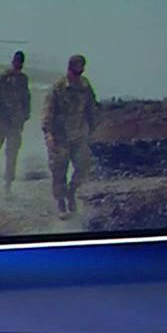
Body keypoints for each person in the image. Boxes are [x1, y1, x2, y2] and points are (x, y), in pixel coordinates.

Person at [43, 54, 97, 219]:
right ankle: (61, 204)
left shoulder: (85, 86)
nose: (80, 70)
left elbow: (91, 108)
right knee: (59, 171)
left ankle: (71, 192)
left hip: (79, 135)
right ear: (70, 67)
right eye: (77, 67)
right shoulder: (58, 87)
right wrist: (48, 134)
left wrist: (93, 129)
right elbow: (48, 111)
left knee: (84, 166)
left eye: (82, 67)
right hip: (60, 136)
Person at [0, 50, 31, 194]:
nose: (18, 64)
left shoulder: (23, 79)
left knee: (12, 155)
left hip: (14, 123)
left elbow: (26, 99)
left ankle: (8, 185)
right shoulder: (3, 76)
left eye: (20, 62)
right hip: (0, 120)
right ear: (13, 61)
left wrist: (24, 116)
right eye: (17, 61)